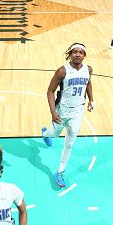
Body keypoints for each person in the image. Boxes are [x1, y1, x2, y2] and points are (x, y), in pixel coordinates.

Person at [41, 43, 94, 188]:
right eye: (75, 52)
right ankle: (46, 134)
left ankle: (60, 172)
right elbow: (50, 91)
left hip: (77, 111)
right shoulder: (62, 71)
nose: (78, 54)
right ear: (69, 54)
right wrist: (53, 112)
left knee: (69, 143)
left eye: (81, 52)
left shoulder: (88, 69)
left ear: (84, 55)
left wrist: (91, 100)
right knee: (55, 134)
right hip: (62, 111)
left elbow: (88, 84)